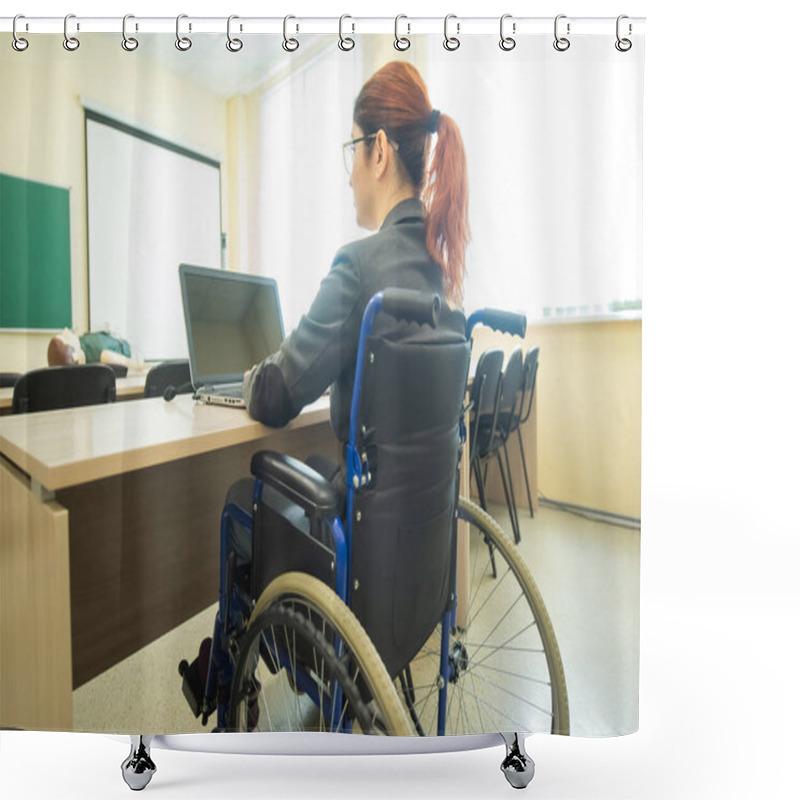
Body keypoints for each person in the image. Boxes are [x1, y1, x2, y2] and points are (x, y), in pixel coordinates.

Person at [224, 60, 471, 563]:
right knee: (317, 460)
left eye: (351, 149)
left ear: (378, 151)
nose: (348, 176)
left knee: (236, 498)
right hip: (418, 547)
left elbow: (275, 395)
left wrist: (249, 377)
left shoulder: (360, 266)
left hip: (366, 551)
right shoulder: (440, 273)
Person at [47, 328, 143, 372]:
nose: (66, 330)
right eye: (65, 337)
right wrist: (143, 366)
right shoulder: (100, 354)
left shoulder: (84, 342)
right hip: (134, 356)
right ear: (74, 355)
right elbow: (128, 363)